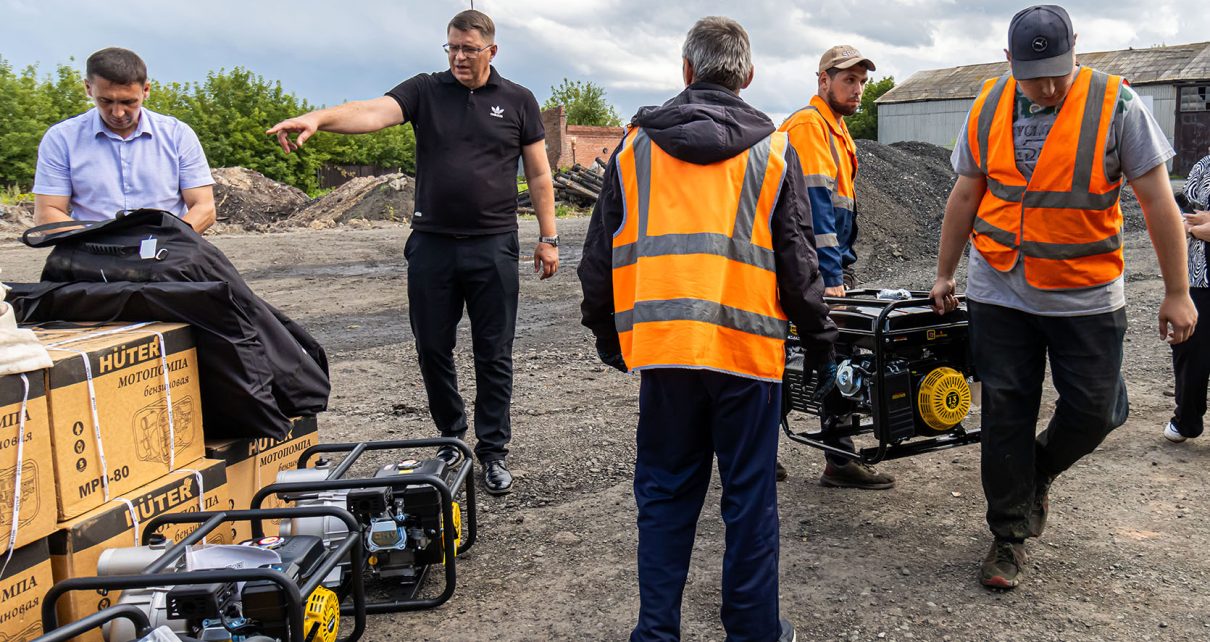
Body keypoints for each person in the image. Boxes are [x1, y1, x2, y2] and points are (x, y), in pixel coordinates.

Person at [579, 16, 836, 642]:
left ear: (687, 71)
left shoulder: (636, 147)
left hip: (666, 353)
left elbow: (598, 260)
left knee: (665, 496)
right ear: (747, 77)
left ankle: (657, 631)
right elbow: (799, 262)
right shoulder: (775, 151)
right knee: (750, 501)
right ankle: (753, 631)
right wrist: (821, 340)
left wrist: (611, 339)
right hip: (746, 356)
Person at [930, 4, 1197, 589]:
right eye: (1034, 75)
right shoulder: (989, 103)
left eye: (1059, 70)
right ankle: (1008, 535)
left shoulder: (1118, 104)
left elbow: (1157, 201)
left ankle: (1038, 472)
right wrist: (946, 272)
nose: (1048, 86)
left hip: (1085, 294)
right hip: (1000, 286)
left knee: (1097, 411)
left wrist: (1177, 291)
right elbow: (964, 195)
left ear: (1077, 48)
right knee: (1005, 412)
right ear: (1009, 62)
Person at [266, 9, 559, 495]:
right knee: (431, 348)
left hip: (493, 246)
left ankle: (493, 451)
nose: (459, 57)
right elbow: (372, 112)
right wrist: (318, 118)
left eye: (469, 48)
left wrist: (548, 238)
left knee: (494, 353)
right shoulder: (426, 90)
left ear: (492, 50)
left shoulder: (518, 100)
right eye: (452, 48)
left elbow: (540, 175)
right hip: (432, 247)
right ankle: (451, 438)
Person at [776, 45, 895, 490]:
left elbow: (841, 209)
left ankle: (812, 456)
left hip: (819, 266)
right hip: (807, 267)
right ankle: (837, 460)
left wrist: (841, 268)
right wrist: (828, 279)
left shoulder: (836, 129)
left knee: (809, 352)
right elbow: (815, 209)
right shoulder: (809, 126)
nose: (858, 89)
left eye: (862, 82)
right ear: (823, 80)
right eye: (849, 80)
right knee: (826, 353)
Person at [32, 47, 216, 232]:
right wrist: (96, 245)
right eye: (106, 101)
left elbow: (204, 208)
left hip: (168, 249)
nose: (118, 113)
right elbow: (47, 212)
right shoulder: (61, 139)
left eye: (128, 102)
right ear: (88, 88)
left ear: (146, 90)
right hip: (89, 250)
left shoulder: (178, 135)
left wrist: (169, 242)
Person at [1166, 147, 1210, 443]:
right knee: (1190, 348)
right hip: (1200, 275)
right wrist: (1192, 228)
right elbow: (1179, 213)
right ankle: (1187, 419)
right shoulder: (1205, 166)